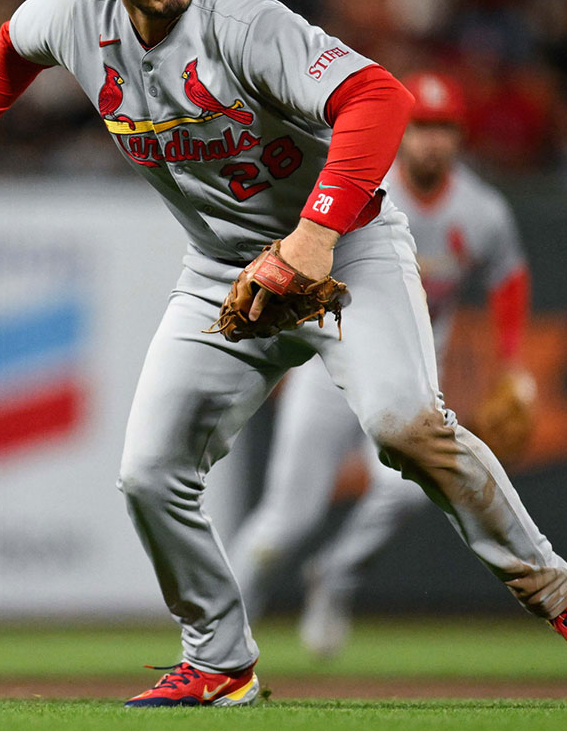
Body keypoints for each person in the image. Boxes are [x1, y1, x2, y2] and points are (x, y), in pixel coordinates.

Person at [0, 0, 567, 708]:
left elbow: (377, 99)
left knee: (404, 426)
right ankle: (219, 658)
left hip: (345, 250)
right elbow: (7, 52)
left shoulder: (238, 20)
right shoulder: (71, 13)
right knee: (149, 472)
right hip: (220, 271)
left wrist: (313, 239)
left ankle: (563, 598)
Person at [227, 71, 539, 659]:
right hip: (328, 363)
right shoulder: (363, 184)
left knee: (407, 491)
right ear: (402, 128)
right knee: (286, 521)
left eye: (444, 128)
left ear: (460, 137)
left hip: (406, 372)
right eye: (422, 126)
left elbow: (509, 278)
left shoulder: (482, 211)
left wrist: (512, 364)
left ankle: (336, 574)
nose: (431, 141)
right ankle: (220, 633)